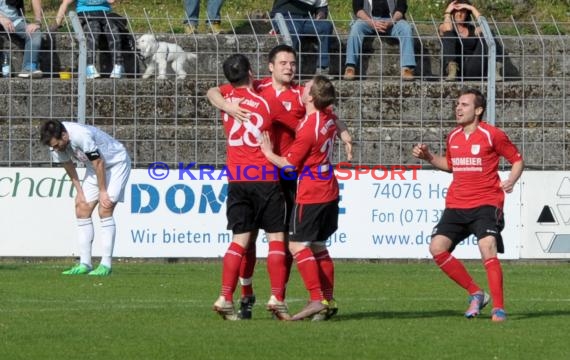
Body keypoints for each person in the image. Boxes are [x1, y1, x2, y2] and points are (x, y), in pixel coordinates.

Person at [207, 44, 352, 320]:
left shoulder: (302, 93)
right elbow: (212, 91)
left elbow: (326, 114)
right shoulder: (259, 90)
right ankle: (248, 293)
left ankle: (284, 296)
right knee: (253, 242)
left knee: (291, 241)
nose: (289, 67)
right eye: (283, 62)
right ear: (268, 67)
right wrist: (226, 105)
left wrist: (343, 129)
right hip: (269, 172)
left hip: (288, 175)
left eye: (293, 63)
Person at [412, 88, 524, 322]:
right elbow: (451, 165)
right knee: (437, 248)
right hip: (456, 204)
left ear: (478, 110)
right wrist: (429, 157)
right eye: (457, 104)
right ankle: (476, 292)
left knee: (487, 246)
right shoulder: (453, 136)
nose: (458, 108)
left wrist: (511, 180)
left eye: (464, 104)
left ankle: (499, 309)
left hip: (486, 202)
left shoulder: (492, 134)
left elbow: (517, 159)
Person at [209, 53, 300, 321]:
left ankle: (226, 296)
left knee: (239, 241)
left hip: (237, 179)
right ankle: (277, 298)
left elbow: (212, 92)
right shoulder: (267, 102)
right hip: (264, 178)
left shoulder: (228, 102)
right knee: (276, 239)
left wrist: (225, 106)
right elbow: (296, 125)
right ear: (251, 73)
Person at [260, 74, 339, 321]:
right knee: (318, 246)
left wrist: (267, 152)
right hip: (329, 188)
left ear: (311, 97)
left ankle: (316, 299)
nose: (301, 89)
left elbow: (289, 165)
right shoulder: (327, 119)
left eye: (306, 88)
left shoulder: (308, 129)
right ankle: (327, 299)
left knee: (296, 246)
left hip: (312, 192)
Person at [40, 119, 131, 276]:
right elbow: (68, 165)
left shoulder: (81, 135)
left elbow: (99, 162)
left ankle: (106, 265)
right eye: (52, 147)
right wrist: (80, 192)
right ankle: (85, 264)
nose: (54, 149)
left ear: (64, 135)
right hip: (93, 168)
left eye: (56, 145)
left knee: (105, 208)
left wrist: (103, 191)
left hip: (116, 164)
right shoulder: (55, 145)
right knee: (81, 208)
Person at [344, 0, 416, 81]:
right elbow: (357, 9)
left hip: (392, 19)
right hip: (368, 19)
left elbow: (401, 8)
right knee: (356, 28)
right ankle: (350, 66)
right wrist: (371, 22)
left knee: (406, 29)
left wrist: (391, 21)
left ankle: (407, 68)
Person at [51, 0, 125, 79]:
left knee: (112, 29)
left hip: (104, 13)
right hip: (85, 14)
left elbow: (111, 1)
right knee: (93, 28)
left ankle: (118, 65)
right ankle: (89, 66)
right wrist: (57, 24)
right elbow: (65, 3)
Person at [439, 0, 505, 81]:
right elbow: (447, 28)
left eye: (463, 11)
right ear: (452, 13)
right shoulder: (444, 27)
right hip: (455, 70)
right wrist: (447, 13)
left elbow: (487, 29)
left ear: (467, 14)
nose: (459, 14)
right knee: (448, 34)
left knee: (487, 31)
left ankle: (495, 68)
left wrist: (472, 9)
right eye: (456, 11)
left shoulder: (472, 29)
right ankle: (452, 68)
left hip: (473, 66)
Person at [270, 0, 333, 76]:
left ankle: (322, 67)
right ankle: (290, 66)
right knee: (294, 30)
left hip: (307, 18)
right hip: (286, 15)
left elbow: (322, 6)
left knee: (326, 26)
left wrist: (321, 14)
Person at [0, 0, 43, 78]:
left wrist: (37, 21)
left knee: (34, 32)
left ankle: (29, 67)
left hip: (14, 20)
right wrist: (1, 18)